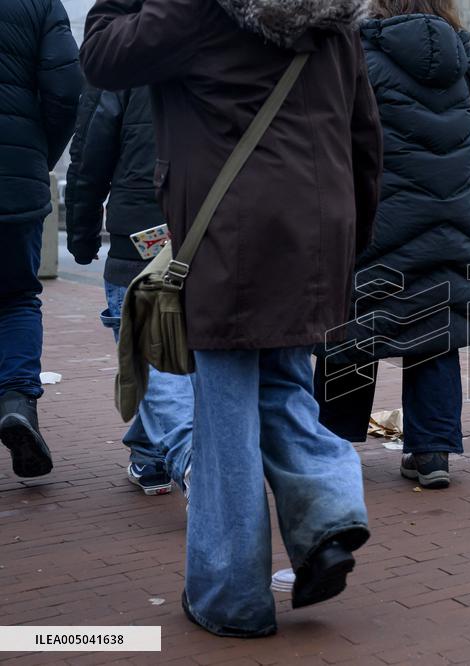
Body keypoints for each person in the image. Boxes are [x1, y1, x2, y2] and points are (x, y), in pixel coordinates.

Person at [80, 0, 381, 637]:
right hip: (314, 231)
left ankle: (231, 597)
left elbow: (103, 57)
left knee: (224, 423)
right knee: (283, 382)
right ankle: (327, 517)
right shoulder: (338, 20)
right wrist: (346, 241)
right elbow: (364, 136)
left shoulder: (194, 10)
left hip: (225, 239)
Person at [315, 0, 470, 490]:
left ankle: (331, 444)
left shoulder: (357, 54)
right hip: (455, 211)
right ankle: (431, 453)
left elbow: (339, 135)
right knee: (437, 328)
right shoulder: (467, 63)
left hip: (380, 210)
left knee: (353, 324)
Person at [65, 84, 194, 496]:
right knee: (188, 347)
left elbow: (90, 155)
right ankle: (149, 455)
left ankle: (190, 457)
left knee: (150, 349)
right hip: (214, 220)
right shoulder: (230, 37)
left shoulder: (122, 52)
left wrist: (83, 234)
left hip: (140, 230)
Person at [0, 0, 83, 478]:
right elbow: (65, 88)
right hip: (14, 180)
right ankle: (16, 403)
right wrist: (38, 156)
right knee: (14, 298)